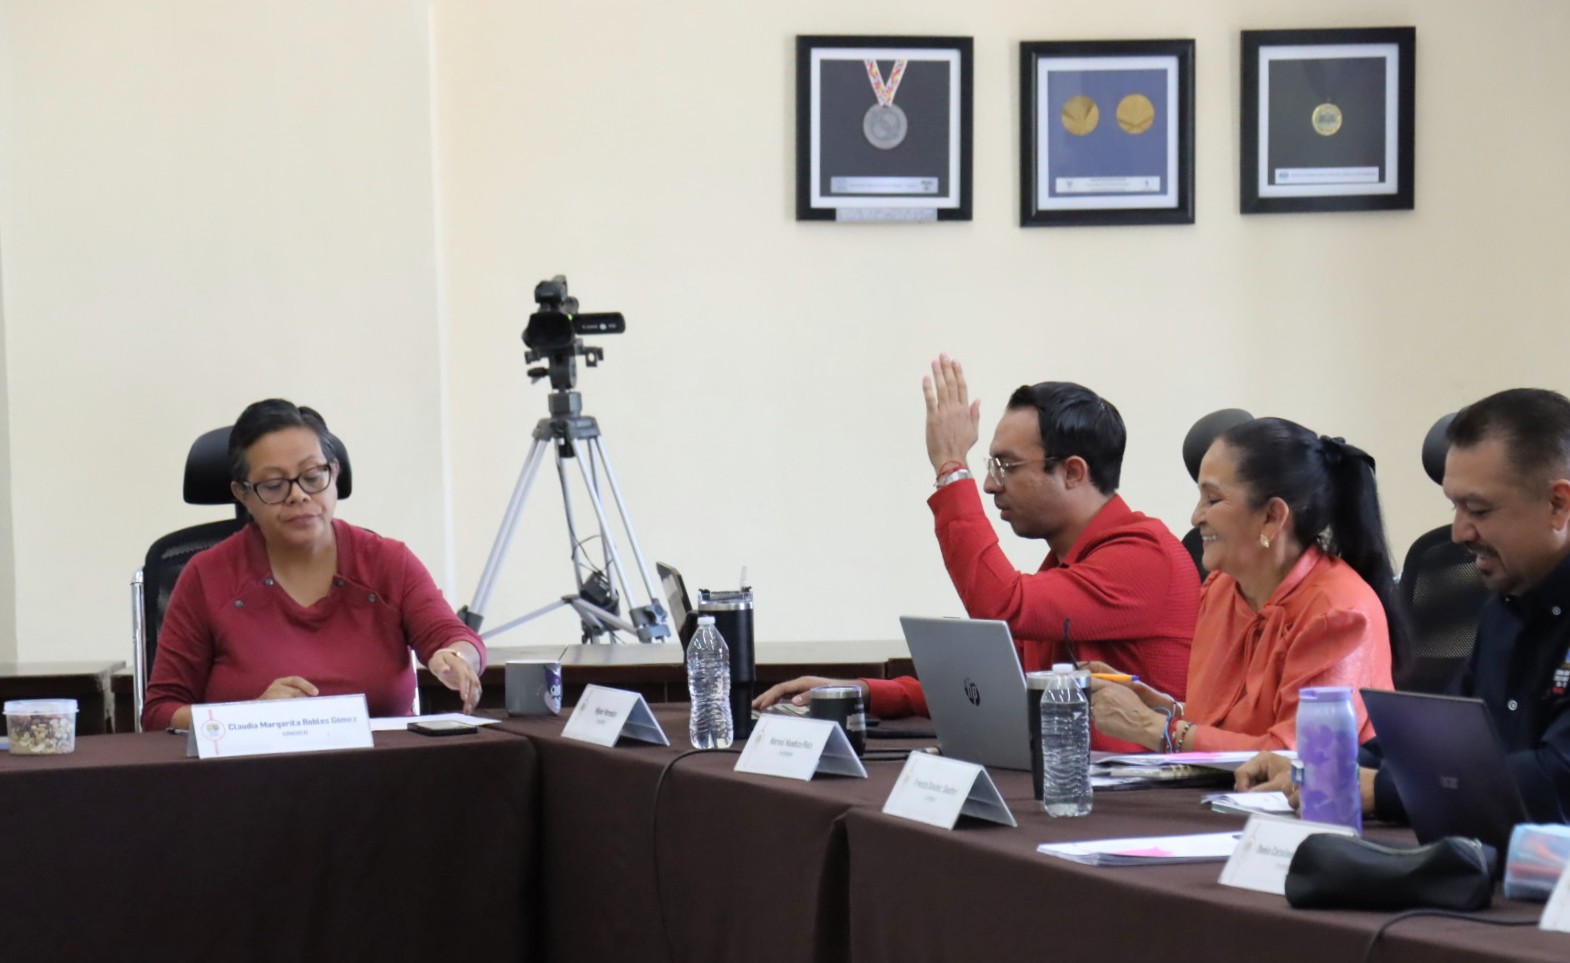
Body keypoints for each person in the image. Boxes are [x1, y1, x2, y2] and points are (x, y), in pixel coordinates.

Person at [754, 355, 1199, 752]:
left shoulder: (1144, 555)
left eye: (1006, 466)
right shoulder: (1068, 564)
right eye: (990, 467)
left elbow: (1002, 604)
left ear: (1072, 472)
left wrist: (951, 470)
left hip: (1143, 796)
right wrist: (862, 692)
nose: (989, 484)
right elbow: (999, 687)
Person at [1237, 389, 1570, 823]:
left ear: (1558, 504)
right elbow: (1445, 737)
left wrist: (1388, 790)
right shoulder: (1506, 607)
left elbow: (1556, 779)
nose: (1459, 532)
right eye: (1455, 506)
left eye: (1478, 509)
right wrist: (1324, 766)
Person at [141, 399, 485, 731]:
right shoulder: (206, 576)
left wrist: (456, 658)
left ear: (334, 474)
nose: (298, 495)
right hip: (258, 767)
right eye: (274, 485)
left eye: (312, 476)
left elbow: (454, 638)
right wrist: (250, 717)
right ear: (243, 495)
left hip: (381, 765)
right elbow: (160, 712)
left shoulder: (388, 562)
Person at [1090, 417, 1402, 752]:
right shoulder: (1221, 589)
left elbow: (1295, 757)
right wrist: (1163, 710)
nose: (1196, 517)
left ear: (1272, 517)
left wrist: (1153, 728)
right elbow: (1230, 728)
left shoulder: (1338, 611)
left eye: (1213, 500)